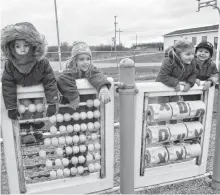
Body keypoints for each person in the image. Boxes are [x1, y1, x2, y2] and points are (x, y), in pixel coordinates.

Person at [1, 22, 58, 143]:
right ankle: (25, 133)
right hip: (23, 93)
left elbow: (50, 80)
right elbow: (7, 84)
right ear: (11, 47)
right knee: (26, 109)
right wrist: (11, 107)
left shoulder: (42, 62)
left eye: (26, 45)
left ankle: (37, 130)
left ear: (33, 45)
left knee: (39, 108)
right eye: (18, 46)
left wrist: (52, 102)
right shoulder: (10, 64)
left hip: (37, 92)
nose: (22, 49)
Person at [57, 41, 111, 109]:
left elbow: (97, 75)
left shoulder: (91, 70)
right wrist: (73, 97)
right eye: (81, 59)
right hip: (72, 110)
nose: (86, 62)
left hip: (88, 109)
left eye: (88, 59)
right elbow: (62, 79)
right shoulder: (69, 71)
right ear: (75, 61)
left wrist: (103, 88)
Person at [155, 40, 197, 124]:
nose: (191, 57)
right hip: (163, 89)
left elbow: (194, 73)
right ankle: (161, 129)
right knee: (163, 111)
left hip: (175, 91)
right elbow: (162, 76)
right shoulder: (169, 61)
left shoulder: (191, 62)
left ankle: (173, 130)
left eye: (193, 54)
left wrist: (189, 83)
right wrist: (175, 83)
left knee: (174, 111)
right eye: (188, 54)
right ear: (178, 54)